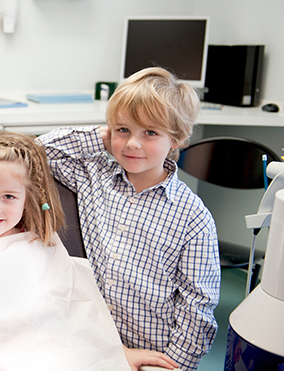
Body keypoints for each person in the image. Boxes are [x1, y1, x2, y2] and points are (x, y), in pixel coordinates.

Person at [0, 130, 178, 371]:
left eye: (8, 197)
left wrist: (117, 354)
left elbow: (78, 319)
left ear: (27, 198)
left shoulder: (42, 246)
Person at [36, 67, 221, 371]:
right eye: (123, 130)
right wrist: (102, 137)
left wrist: (173, 365)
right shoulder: (92, 175)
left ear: (176, 139)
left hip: (152, 355)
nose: (133, 143)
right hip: (87, 340)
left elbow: (197, 307)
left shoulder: (193, 216)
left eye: (150, 132)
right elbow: (37, 152)